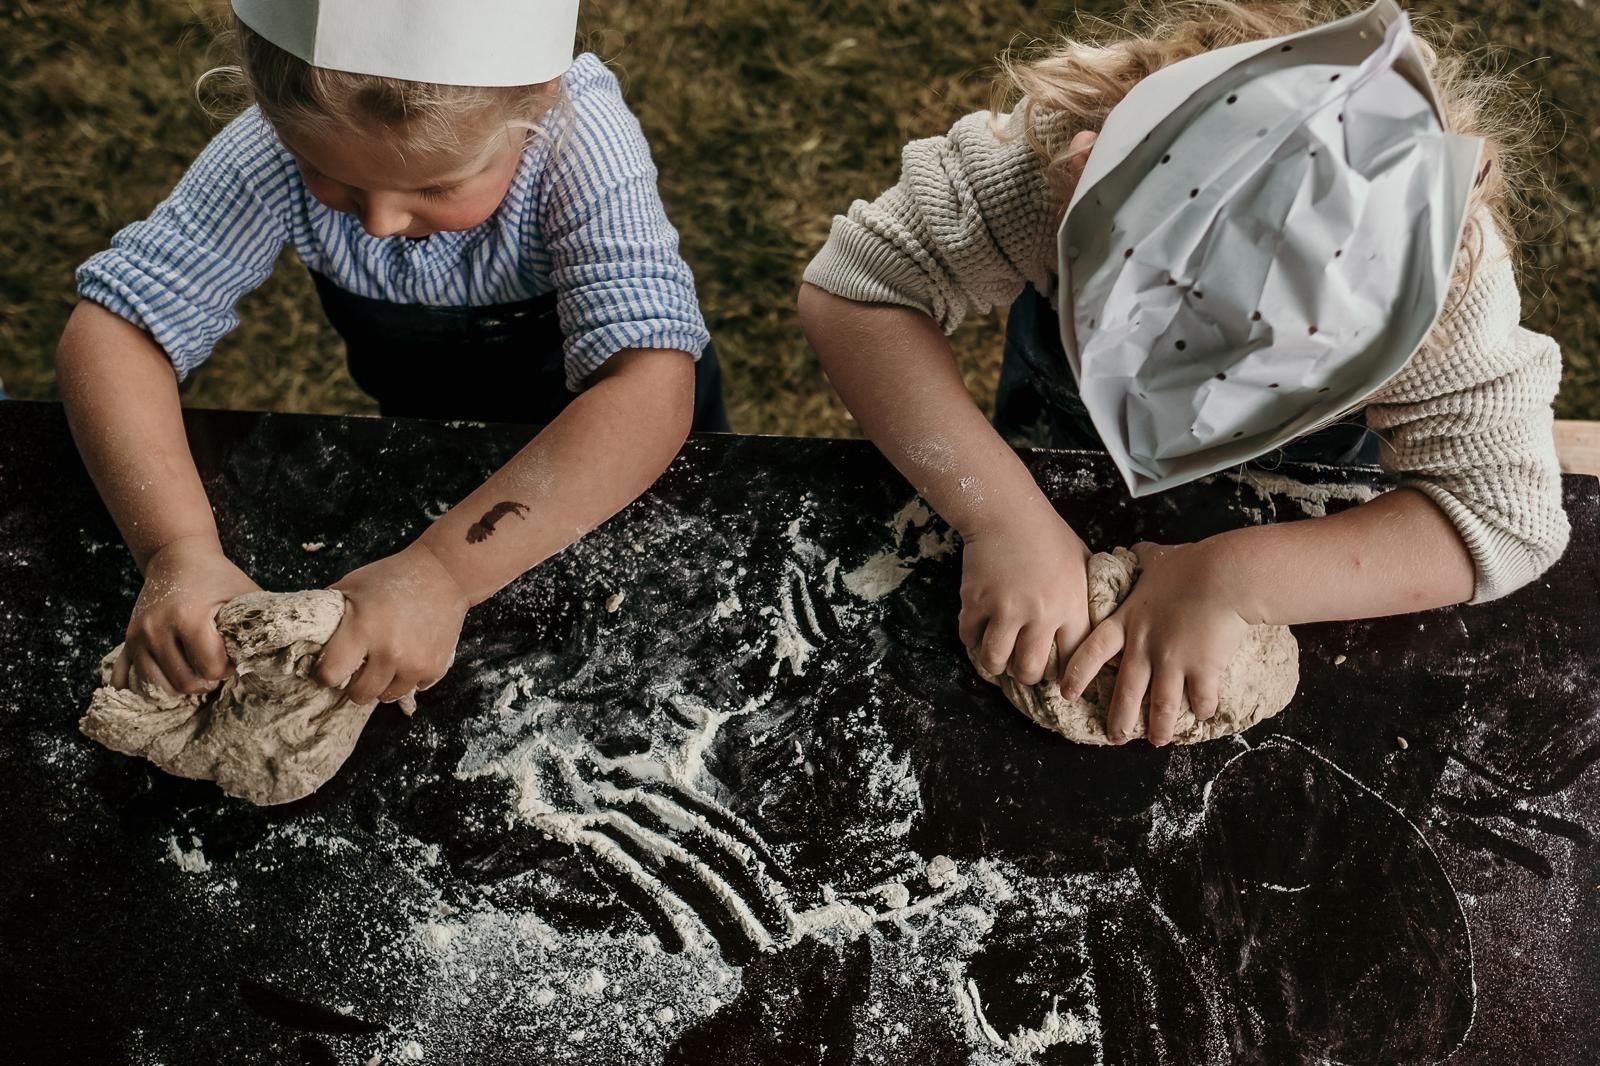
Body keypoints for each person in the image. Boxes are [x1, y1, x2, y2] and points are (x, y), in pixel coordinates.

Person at [798, 0, 1568, 746]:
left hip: (1299, 488)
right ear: (1083, 175)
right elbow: (860, 289)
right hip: (1058, 437)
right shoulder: (1047, 164)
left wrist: (1237, 581)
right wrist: (1000, 514)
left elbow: (1505, 516)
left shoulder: (1440, 292)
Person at [56, 0, 724, 707]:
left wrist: (441, 573)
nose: (380, 221)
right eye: (329, 175)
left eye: (436, 186)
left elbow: (648, 390)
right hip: (436, 436)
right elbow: (115, 333)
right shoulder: (274, 150)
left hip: (628, 460)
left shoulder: (578, 146)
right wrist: (176, 551)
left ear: (538, 104)